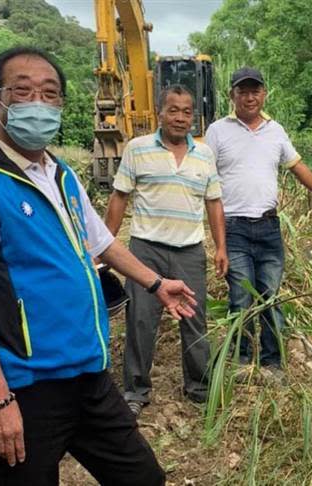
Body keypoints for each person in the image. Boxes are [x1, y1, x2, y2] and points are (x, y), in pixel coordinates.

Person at [0, 47, 197, 486]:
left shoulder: (60, 175)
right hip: (26, 387)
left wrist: (156, 284)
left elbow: (102, 242)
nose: (38, 103)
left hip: (88, 373)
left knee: (143, 478)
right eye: (23, 92)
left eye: (50, 93)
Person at [205, 67, 312, 376]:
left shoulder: (275, 131)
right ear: (232, 96)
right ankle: (240, 362)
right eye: (243, 91)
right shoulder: (217, 131)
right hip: (234, 227)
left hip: (268, 228)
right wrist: (217, 241)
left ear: (264, 94)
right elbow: (204, 177)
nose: (249, 97)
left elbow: (297, 166)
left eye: (255, 91)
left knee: (270, 297)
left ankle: (272, 363)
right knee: (240, 298)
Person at [105, 84, 228, 417]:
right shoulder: (138, 148)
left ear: (193, 117)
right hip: (146, 250)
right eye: (173, 110)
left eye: (187, 111)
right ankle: (136, 390)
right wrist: (104, 245)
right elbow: (119, 197)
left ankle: (200, 387)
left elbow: (214, 203)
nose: (180, 117)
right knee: (141, 321)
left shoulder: (204, 155)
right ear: (159, 112)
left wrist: (221, 247)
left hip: (189, 250)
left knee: (194, 319)